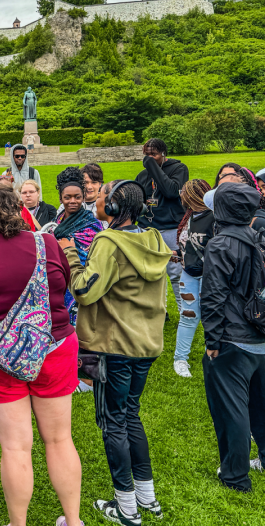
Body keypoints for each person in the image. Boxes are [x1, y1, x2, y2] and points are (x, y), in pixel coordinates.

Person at [0, 184, 82, 526]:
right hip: (52, 345)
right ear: (17, 210)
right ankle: (73, 519)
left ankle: (18, 523)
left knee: (15, 447)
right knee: (59, 438)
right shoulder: (46, 243)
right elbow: (63, 285)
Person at [61, 179, 170, 526]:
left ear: (114, 206)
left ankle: (126, 508)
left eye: (103, 195)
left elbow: (84, 291)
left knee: (113, 423)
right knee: (131, 416)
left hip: (114, 346)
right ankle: (147, 498)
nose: (97, 199)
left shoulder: (108, 240)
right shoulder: (152, 238)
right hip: (146, 343)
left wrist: (68, 253)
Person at [200, 182, 265, 493]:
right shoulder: (257, 237)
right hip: (260, 334)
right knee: (260, 405)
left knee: (232, 410)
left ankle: (235, 477)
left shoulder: (221, 244)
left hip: (233, 338)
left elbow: (212, 297)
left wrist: (212, 342)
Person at [135, 138, 189, 311]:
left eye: (154, 154)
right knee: (151, 274)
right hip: (148, 229)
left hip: (171, 227)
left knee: (175, 272)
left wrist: (152, 167)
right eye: (147, 155)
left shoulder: (179, 169)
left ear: (164, 154)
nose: (149, 158)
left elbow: (172, 191)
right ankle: (159, 311)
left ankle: (185, 312)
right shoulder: (142, 176)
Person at [53, 167, 104, 330]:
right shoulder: (58, 220)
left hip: (80, 278)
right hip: (58, 280)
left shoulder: (92, 224)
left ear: (83, 197)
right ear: (61, 199)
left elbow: (91, 255)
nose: (72, 201)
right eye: (67, 197)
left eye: (77, 197)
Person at [173, 179, 213, 378]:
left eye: (184, 193)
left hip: (210, 276)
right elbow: (187, 245)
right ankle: (180, 359)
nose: (181, 196)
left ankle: (213, 354)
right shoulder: (189, 216)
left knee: (210, 316)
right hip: (188, 273)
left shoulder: (215, 217)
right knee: (188, 316)